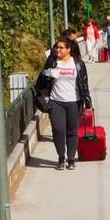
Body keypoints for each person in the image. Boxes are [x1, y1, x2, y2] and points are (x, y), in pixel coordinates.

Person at [35, 37, 90, 170]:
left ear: (68, 49)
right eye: (57, 47)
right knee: (58, 131)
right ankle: (61, 157)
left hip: (74, 102)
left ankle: (70, 159)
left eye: (61, 48)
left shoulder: (77, 63)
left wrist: (87, 100)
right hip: (56, 102)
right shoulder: (52, 62)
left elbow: (84, 83)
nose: (57, 50)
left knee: (72, 132)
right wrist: (47, 75)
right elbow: (41, 82)